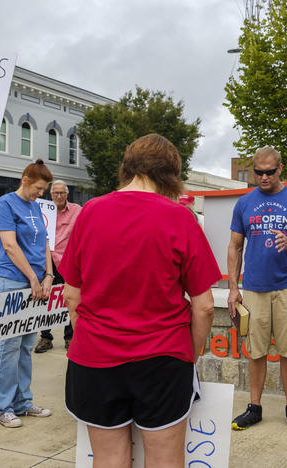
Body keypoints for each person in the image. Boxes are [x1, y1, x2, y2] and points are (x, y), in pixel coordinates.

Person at [60, 133, 220, 466]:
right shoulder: (179, 218)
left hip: (95, 357)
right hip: (163, 357)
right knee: (164, 459)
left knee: (107, 459)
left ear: (127, 168)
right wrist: (190, 353)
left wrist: (89, 333)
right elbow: (204, 305)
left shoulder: (89, 212)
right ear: (171, 175)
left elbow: (72, 293)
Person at [227, 146, 287, 432]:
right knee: (255, 351)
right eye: (258, 172)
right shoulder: (244, 203)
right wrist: (232, 289)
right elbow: (235, 246)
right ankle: (254, 407)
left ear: (280, 168)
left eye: (269, 172)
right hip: (253, 288)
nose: (263, 177)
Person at [0, 159, 54, 428]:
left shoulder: (36, 207)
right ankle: (3, 406)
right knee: (9, 347)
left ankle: (23, 401)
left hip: (37, 284)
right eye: (38, 188)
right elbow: (9, 244)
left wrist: (49, 275)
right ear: (25, 180)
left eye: (44, 190)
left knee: (27, 345)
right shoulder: (6, 204)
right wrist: (32, 277)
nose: (41, 194)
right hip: (14, 281)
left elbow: (45, 243)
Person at [34, 180, 81, 353]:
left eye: (62, 193)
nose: (59, 196)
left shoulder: (77, 211)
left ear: (67, 194)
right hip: (45, 261)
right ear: (50, 194)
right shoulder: (41, 209)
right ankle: (46, 337)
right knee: (44, 299)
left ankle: (69, 337)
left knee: (68, 298)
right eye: (55, 193)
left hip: (67, 261)